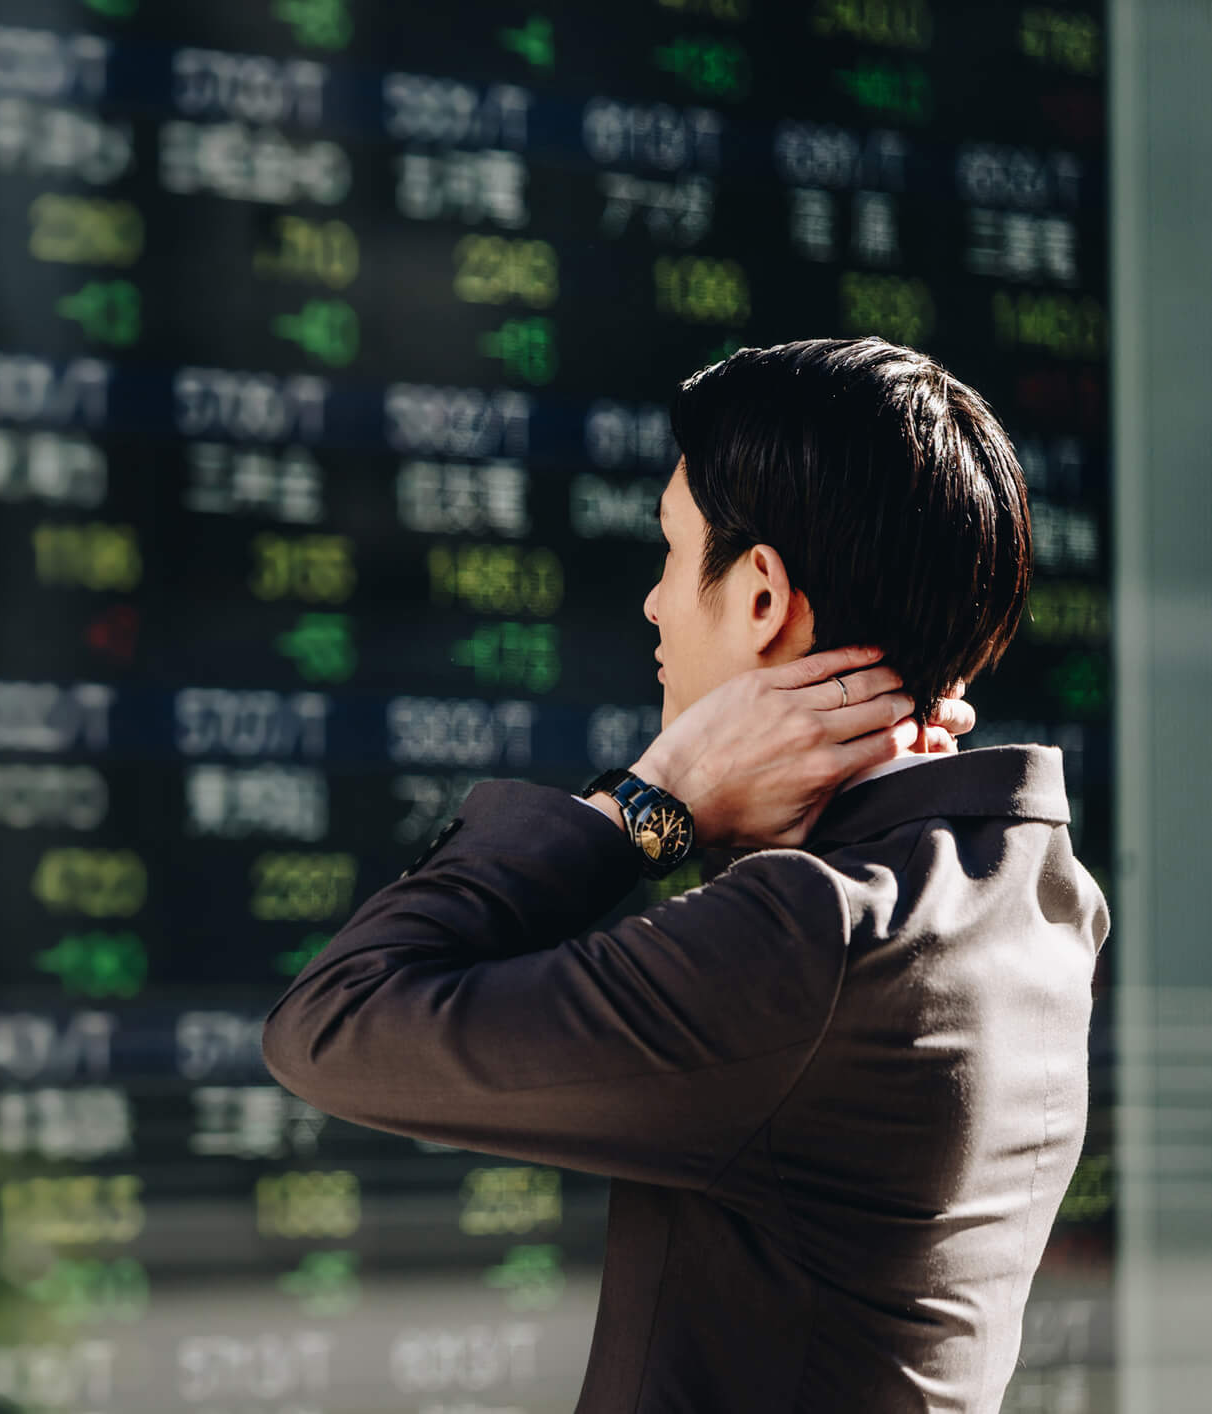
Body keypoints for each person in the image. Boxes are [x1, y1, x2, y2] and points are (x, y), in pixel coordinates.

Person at [259, 337, 1109, 1413]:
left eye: (671, 551)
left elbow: (333, 1025)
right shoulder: (1031, 894)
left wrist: (652, 800)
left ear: (762, 597)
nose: (656, 607)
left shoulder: (817, 939)